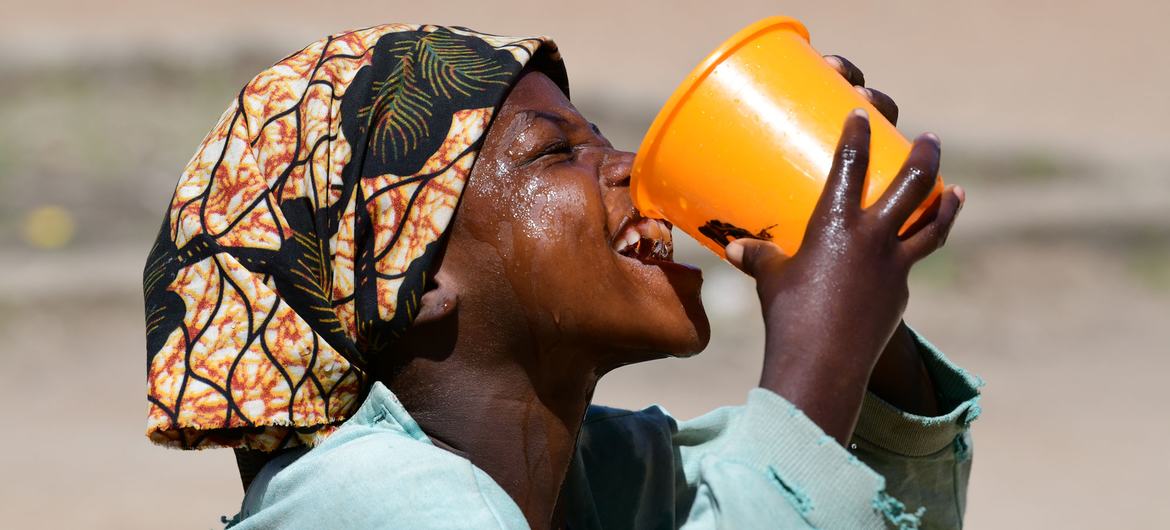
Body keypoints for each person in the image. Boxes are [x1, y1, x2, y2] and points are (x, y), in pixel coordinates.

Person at [143, 23, 980, 529]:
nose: (628, 168)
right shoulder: (364, 501)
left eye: (601, 139)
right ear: (418, 278)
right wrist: (816, 355)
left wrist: (853, 290)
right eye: (556, 154)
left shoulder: (599, 482)